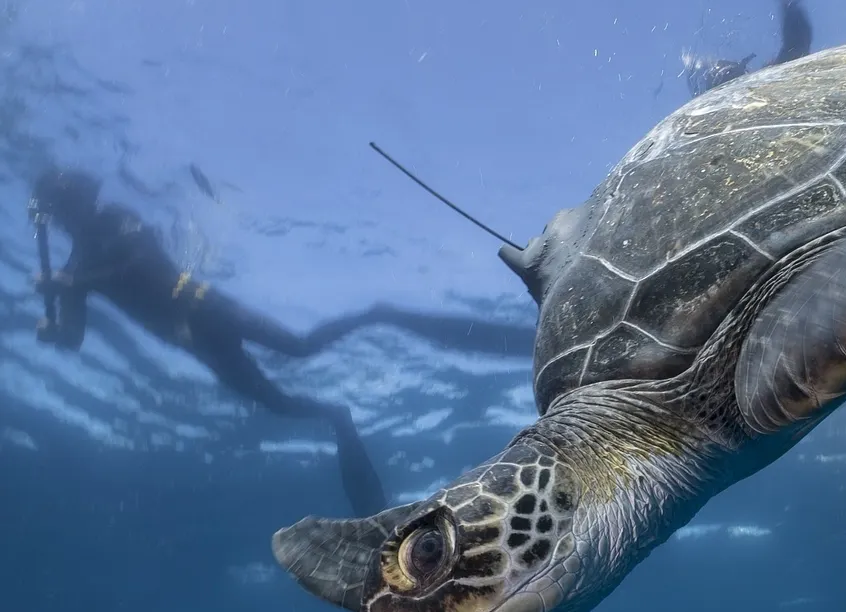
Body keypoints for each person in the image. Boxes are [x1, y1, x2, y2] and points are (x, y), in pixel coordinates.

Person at [28, 167, 536, 516]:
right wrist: (55, 332)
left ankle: (378, 314)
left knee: (300, 346)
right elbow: (73, 338)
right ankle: (342, 425)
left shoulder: (114, 220)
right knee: (279, 403)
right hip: (193, 342)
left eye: (67, 204)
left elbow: (140, 262)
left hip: (206, 307)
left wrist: (73, 284)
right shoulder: (73, 269)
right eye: (62, 209)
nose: (69, 214)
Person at [684, 0, 814, 98]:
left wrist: (790, 8)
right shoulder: (765, 83)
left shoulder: (767, 81)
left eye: (729, 72)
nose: (730, 73)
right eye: (727, 74)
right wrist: (790, 7)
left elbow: (797, 47)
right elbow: (798, 46)